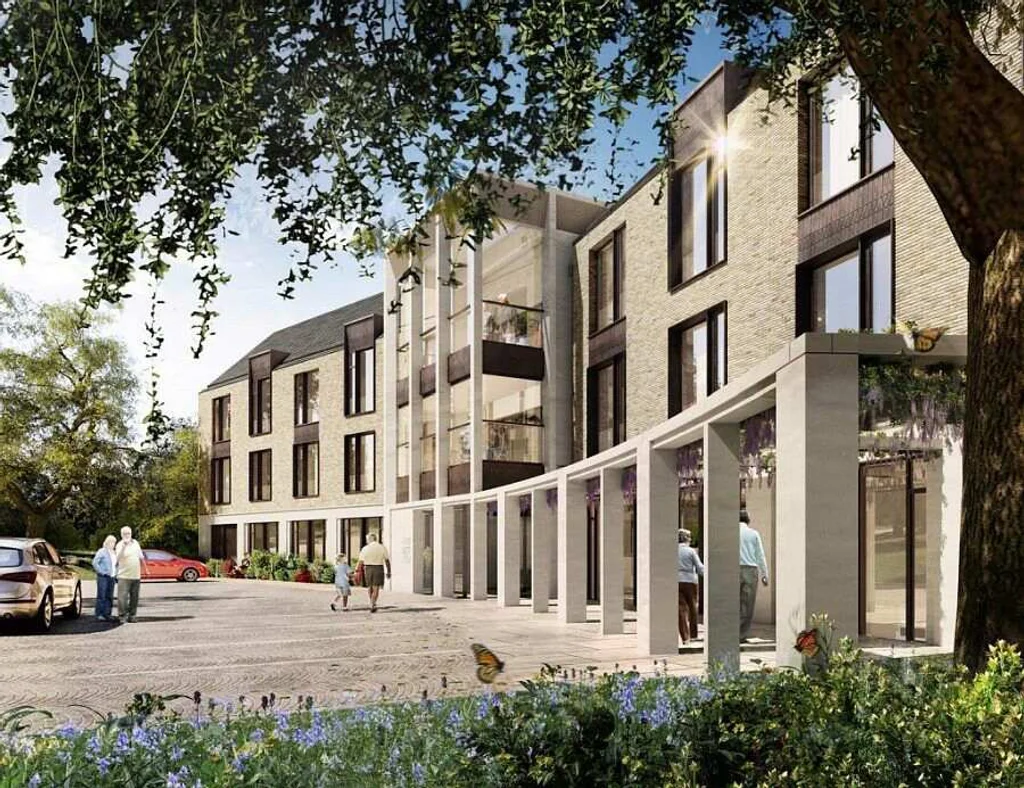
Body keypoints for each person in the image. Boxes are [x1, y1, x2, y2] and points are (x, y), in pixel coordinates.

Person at [739, 510, 769, 642]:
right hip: (751, 570)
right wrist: (765, 574)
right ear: (748, 520)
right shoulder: (753, 534)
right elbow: (760, 555)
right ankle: (741, 634)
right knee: (747, 604)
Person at [677, 529, 704, 644]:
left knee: (681, 609)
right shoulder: (690, 551)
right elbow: (700, 567)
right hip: (690, 581)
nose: (691, 539)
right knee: (693, 608)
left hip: (676, 581)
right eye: (690, 537)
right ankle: (693, 635)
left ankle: (685, 638)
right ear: (687, 539)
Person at [115, 526, 145, 623]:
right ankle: (122, 616)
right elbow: (117, 559)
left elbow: (140, 556)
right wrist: (124, 547)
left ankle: (132, 616)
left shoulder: (135, 543)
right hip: (124, 576)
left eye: (128, 533)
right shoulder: (119, 545)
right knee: (122, 598)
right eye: (125, 533)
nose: (127, 535)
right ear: (121, 534)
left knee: (134, 597)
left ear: (131, 534)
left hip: (136, 575)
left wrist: (144, 566)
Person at [356, 533, 391, 613]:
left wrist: (357, 571)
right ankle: (373, 603)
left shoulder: (365, 548)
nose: (367, 541)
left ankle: (371, 602)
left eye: (367, 539)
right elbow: (387, 561)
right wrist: (389, 571)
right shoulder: (382, 547)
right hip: (378, 568)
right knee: (376, 588)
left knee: (370, 587)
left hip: (367, 568)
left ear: (370, 539)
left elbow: (360, 561)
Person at [91, 535, 117, 622]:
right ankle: (99, 614)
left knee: (109, 596)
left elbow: (116, 564)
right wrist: (101, 572)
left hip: (112, 577)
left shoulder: (114, 553)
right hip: (103, 577)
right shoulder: (102, 551)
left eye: (114, 542)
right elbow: (95, 563)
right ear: (107, 542)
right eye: (111, 542)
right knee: (102, 595)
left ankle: (107, 614)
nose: (113, 544)